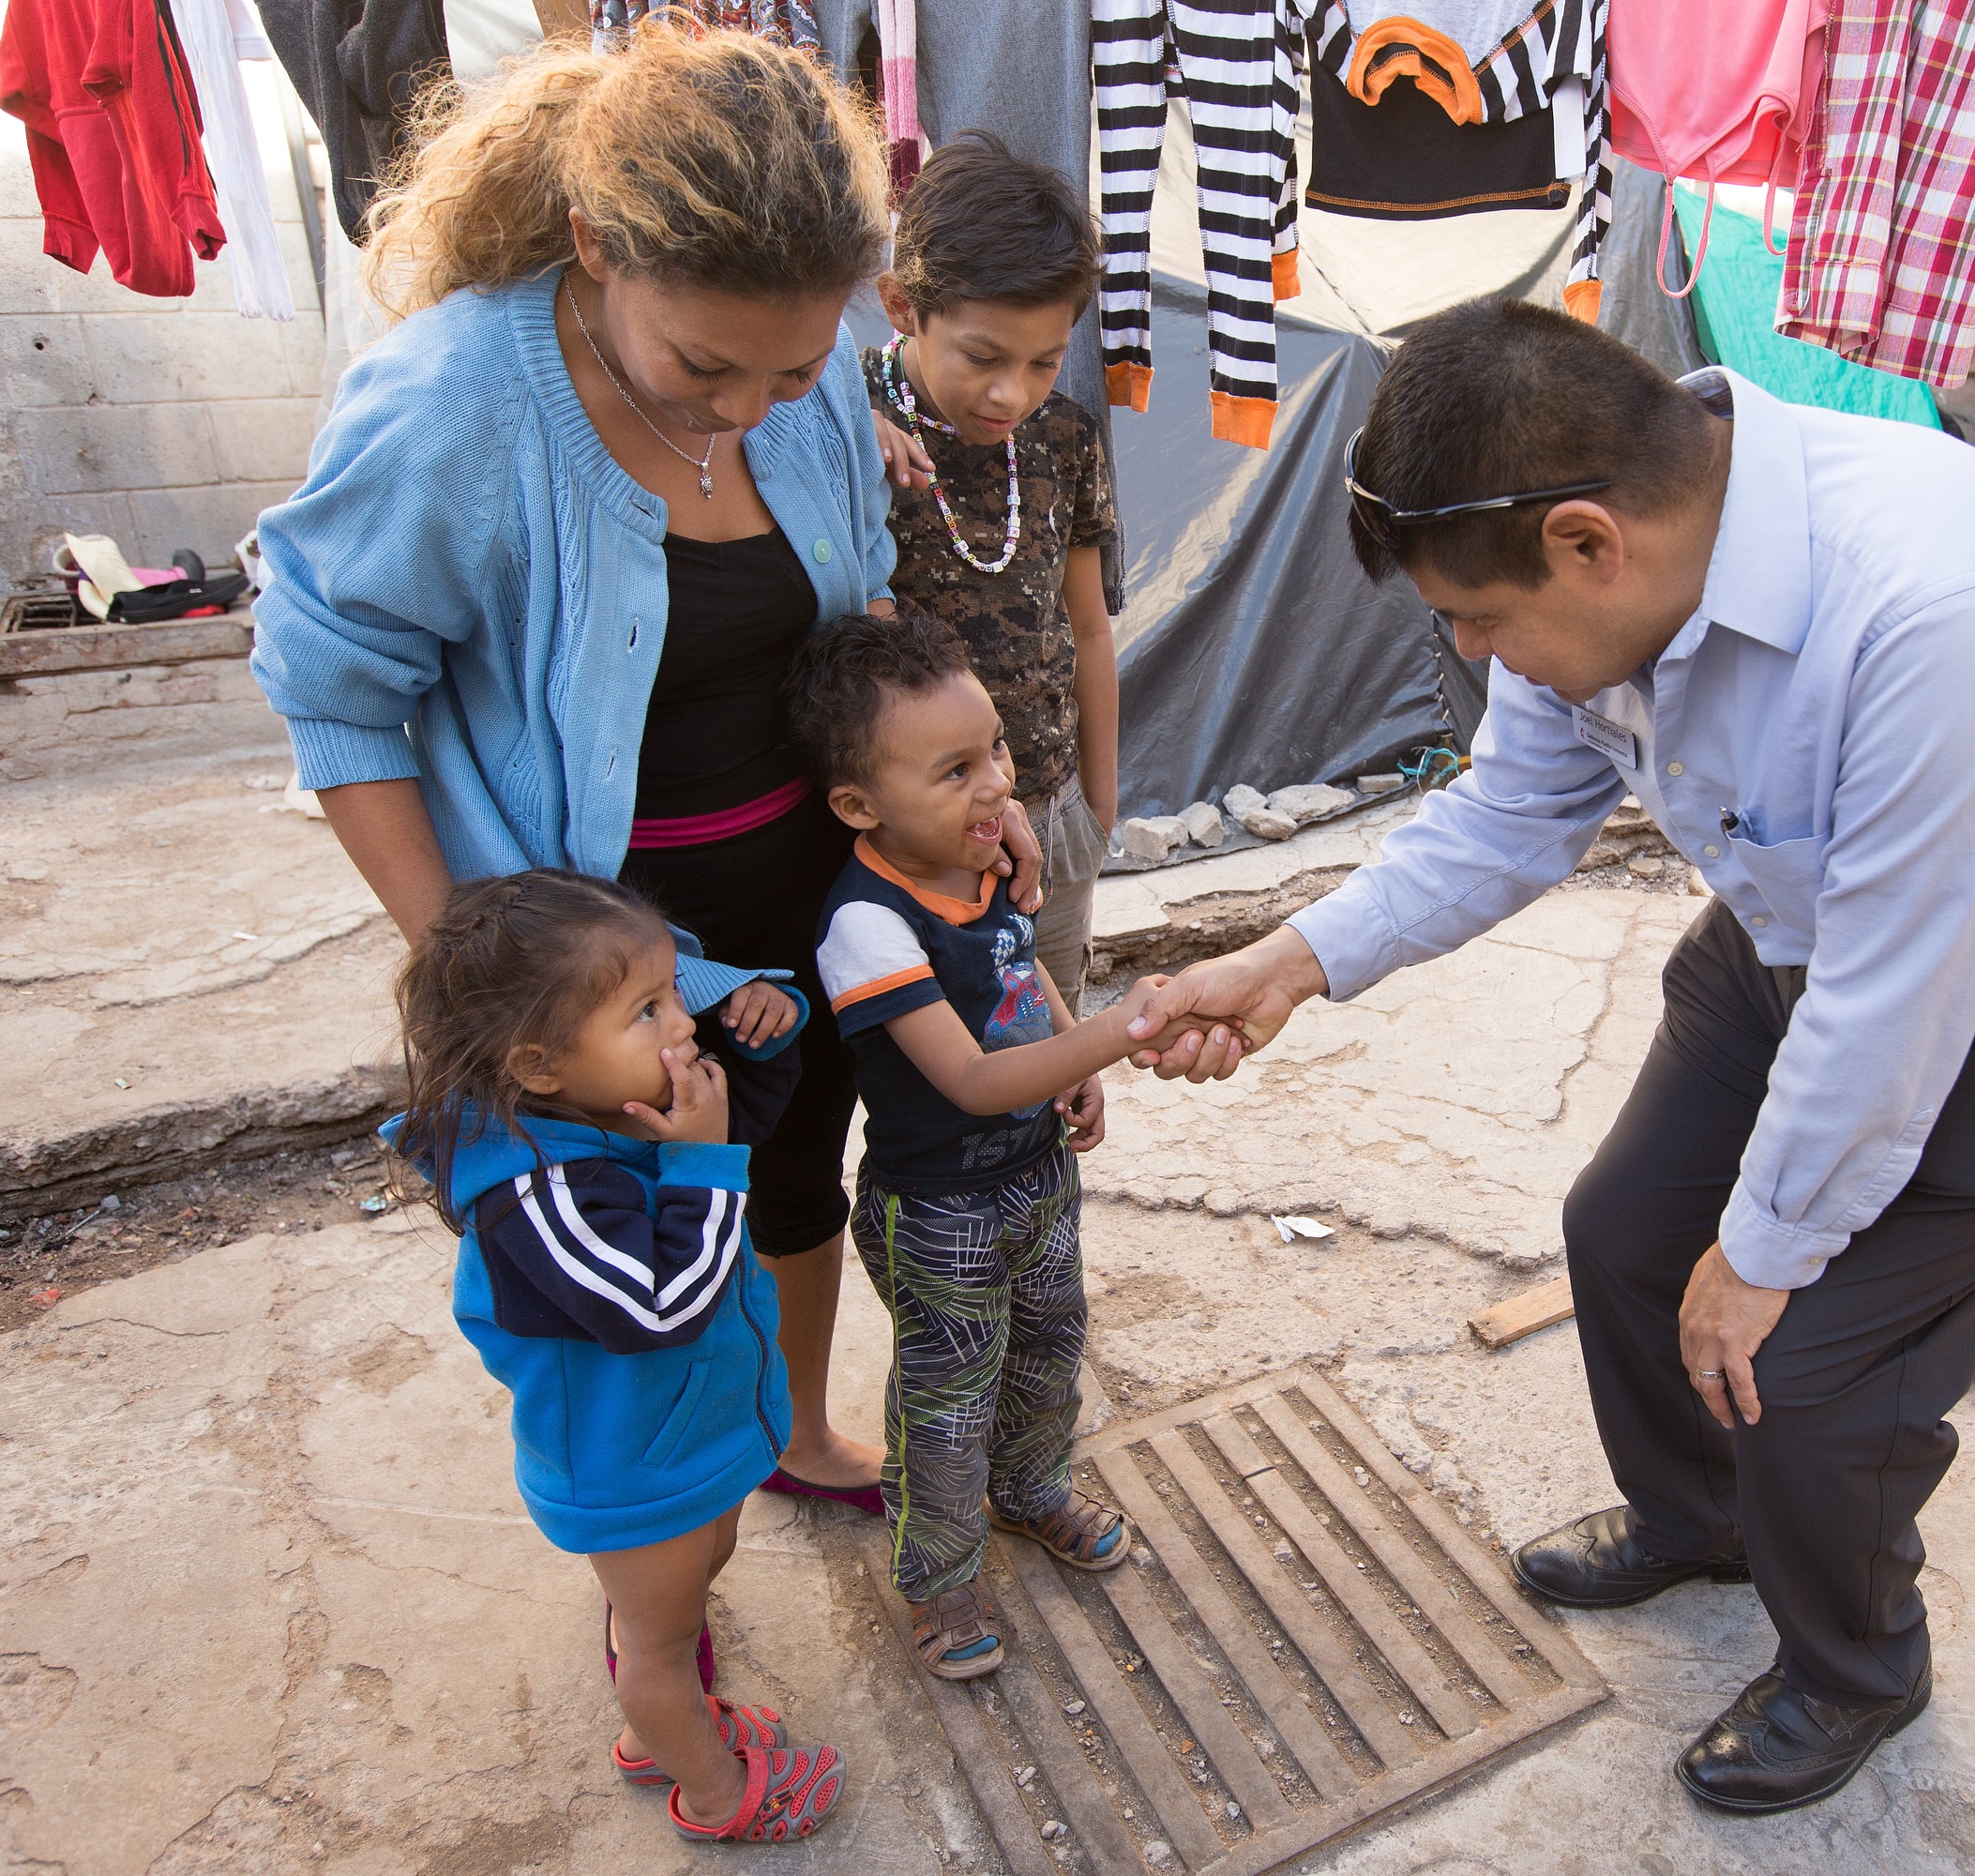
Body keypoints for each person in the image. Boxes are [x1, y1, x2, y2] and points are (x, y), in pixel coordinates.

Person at [1127, 297, 1975, 1814]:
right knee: (1624, 1234)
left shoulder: (1946, 617)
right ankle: (1702, 1521)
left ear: (1591, 542)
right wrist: (1291, 963)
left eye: (1480, 621)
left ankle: (1859, 1666)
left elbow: (1901, 999)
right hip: (1804, 920)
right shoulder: (1602, 584)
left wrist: (1771, 1249)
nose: (1473, 654)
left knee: (1808, 1365)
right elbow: (1505, 817)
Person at [249, 26, 1040, 1518]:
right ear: (597, 243)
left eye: (797, 368)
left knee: (792, 1178)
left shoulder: (806, 400)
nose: (749, 411)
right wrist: (485, 981)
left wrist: (966, 814)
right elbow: (337, 701)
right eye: (703, 365)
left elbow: (858, 627)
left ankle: (793, 1435)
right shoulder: (455, 407)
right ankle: (661, 1563)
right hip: (597, 973)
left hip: (806, 920)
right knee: (633, 1263)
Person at [389, 869, 844, 1845]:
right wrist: (705, 1159)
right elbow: (660, 1304)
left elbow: (732, 1136)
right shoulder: (532, 1193)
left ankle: (671, 1730)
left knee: (698, 1576)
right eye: (648, 1009)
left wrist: (761, 1040)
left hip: (686, 1436)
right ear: (539, 1063)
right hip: (633, 1465)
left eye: (676, 990)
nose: (684, 1023)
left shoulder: (608, 1108)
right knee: (658, 1643)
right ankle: (714, 1789)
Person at [787, 612, 1197, 1680]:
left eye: (999, 751)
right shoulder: (866, 926)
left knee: (1052, 1339)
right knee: (946, 1396)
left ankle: (1030, 1486)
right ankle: (939, 1576)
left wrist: (1076, 1054)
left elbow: (1022, 969)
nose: (995, 787)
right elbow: (966, 1078)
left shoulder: (985, 867)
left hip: (1037, 1179)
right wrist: (1118, 1027)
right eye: (956, 768)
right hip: (939, 1211)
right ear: (858, 804)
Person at [867, 130, 1121, 1013]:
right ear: (903, 305)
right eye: (982, 358)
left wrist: (1099, 800)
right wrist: (841, 420)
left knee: (1051, 1055)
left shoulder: (1067, 439)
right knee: (937, 1082)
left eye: (1043, 362)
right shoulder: (845, 423)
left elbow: (1088, 624)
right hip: (912, 838)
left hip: (1051, 810)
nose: (1012, 393)